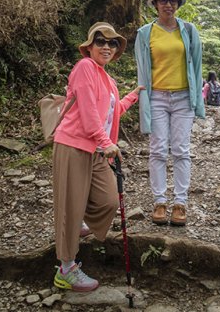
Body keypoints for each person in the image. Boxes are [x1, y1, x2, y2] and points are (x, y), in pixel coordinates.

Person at [52, 21, 144, 292]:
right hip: (73, 146)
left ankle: (78, 223)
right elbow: (90, 113)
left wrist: (133, 97)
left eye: (112, 43)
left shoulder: (108, 79)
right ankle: (66, 269)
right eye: (100, 41)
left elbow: (109, 113)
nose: (106, 46)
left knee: (107, 200)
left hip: (95, 149)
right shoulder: (84, 68)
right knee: (69, 207)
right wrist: (107, 143)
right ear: (89, 46)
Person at [135, 0, 205, 227]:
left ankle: (180, 204)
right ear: (155, 4)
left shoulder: (189, 30)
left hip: (184, 98)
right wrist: (141, 101)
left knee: (181, 150)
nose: (168, 4)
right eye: (163, 0)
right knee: (157, 149)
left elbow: (196, 67)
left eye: (172, 0)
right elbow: (142, 71)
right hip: (157, 98)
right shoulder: (145, 33)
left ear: (177, 4)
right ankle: (159, 201)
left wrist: (199, 103)